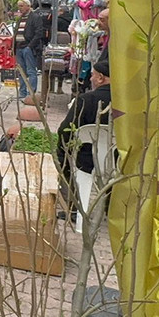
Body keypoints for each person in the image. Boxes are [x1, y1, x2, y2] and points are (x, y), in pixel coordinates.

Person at [55, 59, 112, 212]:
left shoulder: (86, 100)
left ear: (100, 78)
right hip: (119, 159)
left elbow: (65, 131)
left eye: (92, 75)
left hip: (87, 161)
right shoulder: (127, 103)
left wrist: (66, 151)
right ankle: (110, 207)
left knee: (61, 156)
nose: (90, 79)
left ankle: (75, 206)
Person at [20, 0, 53, 105]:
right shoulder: (20, 17)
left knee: (31, 71)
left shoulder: (35, 17)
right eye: (19, 6)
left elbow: (39, 33)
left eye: (21, 6)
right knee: (21, 71)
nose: (19, 8)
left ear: (28, 6)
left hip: (28, 47)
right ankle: (22, 93)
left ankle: (31, 94)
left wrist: (30, 46)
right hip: (19, 47)